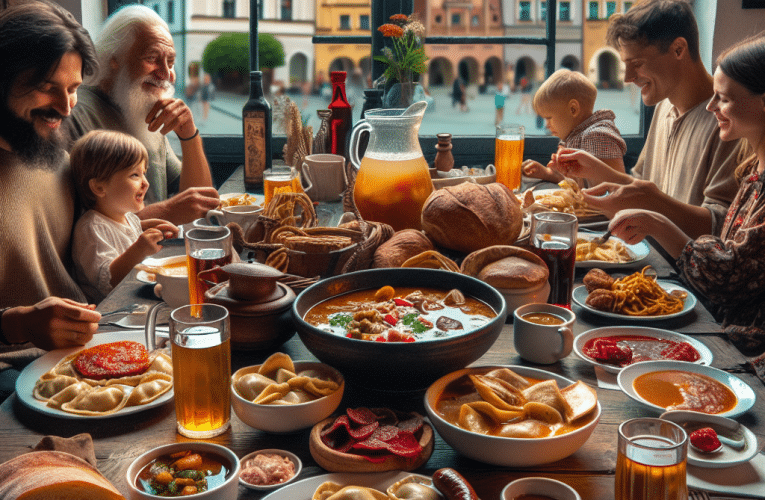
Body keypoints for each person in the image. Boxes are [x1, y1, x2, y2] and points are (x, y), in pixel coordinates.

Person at [606, 31, 765, 356]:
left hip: (746, 352)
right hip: (720, 325)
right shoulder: (751, 169)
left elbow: (726, 277)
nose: (711, 106)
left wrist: (658, 224)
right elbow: (724, 249)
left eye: (723, 98)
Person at [552, 0, 741, 239]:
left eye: (637, 64)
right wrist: (598, 170)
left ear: (678, 50)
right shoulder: (664, 106)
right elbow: (641, 188)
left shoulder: (729, 121)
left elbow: (722, 228)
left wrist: (652, 200)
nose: (628, 77)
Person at [0, 1, 101, 400]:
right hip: (10, 369)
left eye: (73, 89)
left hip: (80, 350)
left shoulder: (57, 160)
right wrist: (18, 324)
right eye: (46, 87)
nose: (65, 107)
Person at [64, 4, 219, 226]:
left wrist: (189, 134)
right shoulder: (75, 115)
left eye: (171, 62)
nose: (166, 74)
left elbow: (197, 202)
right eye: (152, 58)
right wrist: (166, 212)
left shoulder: (142, 108)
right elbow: (82, 231)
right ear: (113, 58)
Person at [70, 130, 178, 303]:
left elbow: (124, 235)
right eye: (135, 175)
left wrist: (153, 232)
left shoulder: (128, 217)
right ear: (99, 187)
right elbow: (108, 282)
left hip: (136, 300)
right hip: (113, 314)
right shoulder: (91, 229)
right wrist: (140, 249)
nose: (146, 182)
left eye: (144, 173)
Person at [522, 68, 627, 186]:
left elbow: (615, 190)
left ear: (573, 109)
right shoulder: (571, 135)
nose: (547, 125)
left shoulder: (598, 137)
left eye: (549, 118)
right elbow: (573, 182)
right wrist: (545, 172)